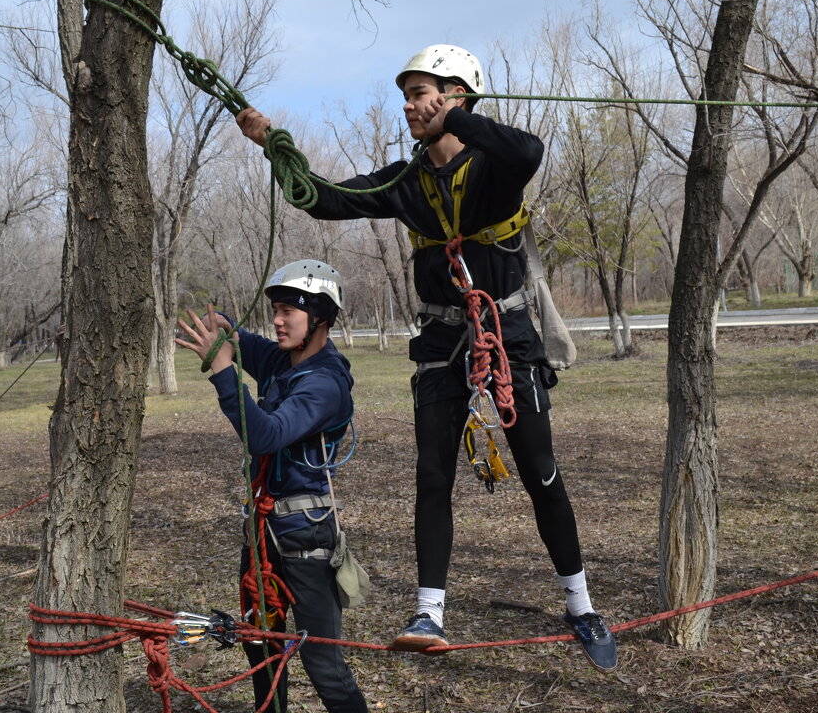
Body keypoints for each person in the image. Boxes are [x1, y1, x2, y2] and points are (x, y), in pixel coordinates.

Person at [234, 45, 618, 672]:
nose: (409, 107)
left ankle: (581, 604)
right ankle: (428, 611)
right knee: (433, 476)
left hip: (507, 332)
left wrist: (458, 118)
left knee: (540, 471)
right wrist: (273, 142)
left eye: (422, 95)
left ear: (457, 97)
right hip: (442, 342)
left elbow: (529, 152)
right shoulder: (405, 182)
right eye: (408, 96)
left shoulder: (495, 166)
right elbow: (323, 197)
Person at [175, 259, 369, 713]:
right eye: (276, 310)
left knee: (323, 662)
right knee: (262, 650)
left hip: (305, 535)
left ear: (320, 317)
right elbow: (252, 347)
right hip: (263, 534)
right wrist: (227, 331)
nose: (277, 321)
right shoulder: (287, 360)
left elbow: (264, 434)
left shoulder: (324, 383)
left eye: (289, 312)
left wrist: (225, 372)